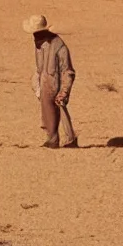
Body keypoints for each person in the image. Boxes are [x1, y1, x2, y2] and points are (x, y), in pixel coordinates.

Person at [24, 15, 77, 148]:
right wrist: (36, 86)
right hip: (44, 83)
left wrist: (64, 91)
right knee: (47, 113)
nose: (34, 37)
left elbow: (67, 71)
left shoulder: (59, 46)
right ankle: (52, 139)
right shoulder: (39, 44)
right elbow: (39, 68)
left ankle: (70, 140)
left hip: (56, 84)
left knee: (59, 109)